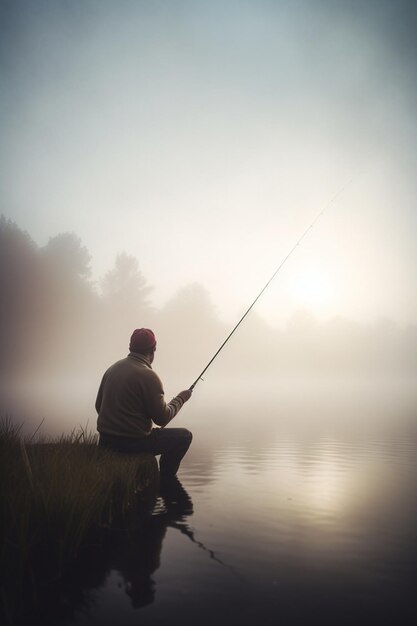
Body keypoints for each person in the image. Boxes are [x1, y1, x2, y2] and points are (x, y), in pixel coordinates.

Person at [96, 328, 193, 478]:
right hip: (133, 443)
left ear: (130, 347)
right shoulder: (149, 376)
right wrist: (181, 398)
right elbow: (162, 419)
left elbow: (98, 406)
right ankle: (165, 481)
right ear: (153, 349)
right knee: (184, 436)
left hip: (105, 441)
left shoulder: (112, 369)